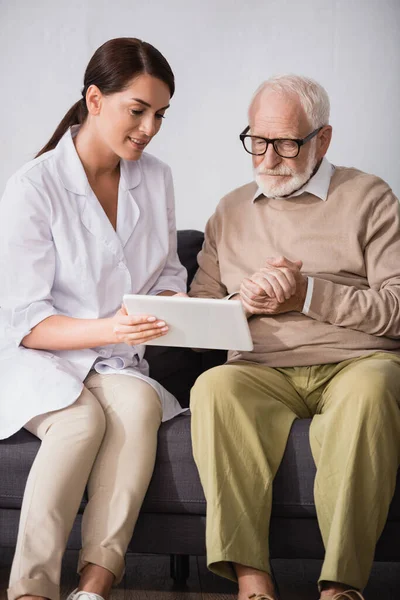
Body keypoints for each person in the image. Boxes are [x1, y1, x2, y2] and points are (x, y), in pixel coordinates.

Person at [189, 74, 400, 600]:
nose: (268, 157)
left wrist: (306, 294)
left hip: (355, 363)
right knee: (212, 387)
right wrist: (246, 304)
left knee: (373, 389)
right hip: (260, 370)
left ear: (322, 140)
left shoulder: (369, 196)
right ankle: (252, 579)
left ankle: (341, 585)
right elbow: (197, 318)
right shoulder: (229, 211)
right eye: (257, 141)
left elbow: (396, 310)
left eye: (286, 143)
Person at [0, 37, 188, 600]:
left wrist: (171, 305)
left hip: (115, 360)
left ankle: (95, 583)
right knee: (79, 423)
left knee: (134, 407)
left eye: (161, 115)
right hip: (40, 354)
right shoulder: (34, 186)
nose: (150, 127)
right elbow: (26, 322)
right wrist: (113, 327)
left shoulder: (155, 177)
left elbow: (169, 272)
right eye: (139, 110)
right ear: (95, 99)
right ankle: (30, 589)